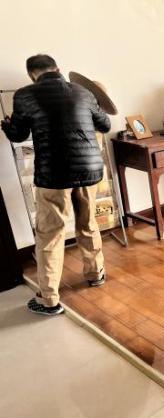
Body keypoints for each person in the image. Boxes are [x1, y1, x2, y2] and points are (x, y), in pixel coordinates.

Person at [1, 54, 111, 316]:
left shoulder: (25, 95)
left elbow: (19, 135)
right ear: (58, 69)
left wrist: (6, 126)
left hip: (54, 176)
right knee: (88, 224)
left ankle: (49, 300)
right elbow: (105, 125)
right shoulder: (83, 91)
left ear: (32, 75)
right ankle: (95, 274)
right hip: (90, 171)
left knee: (50, 234)